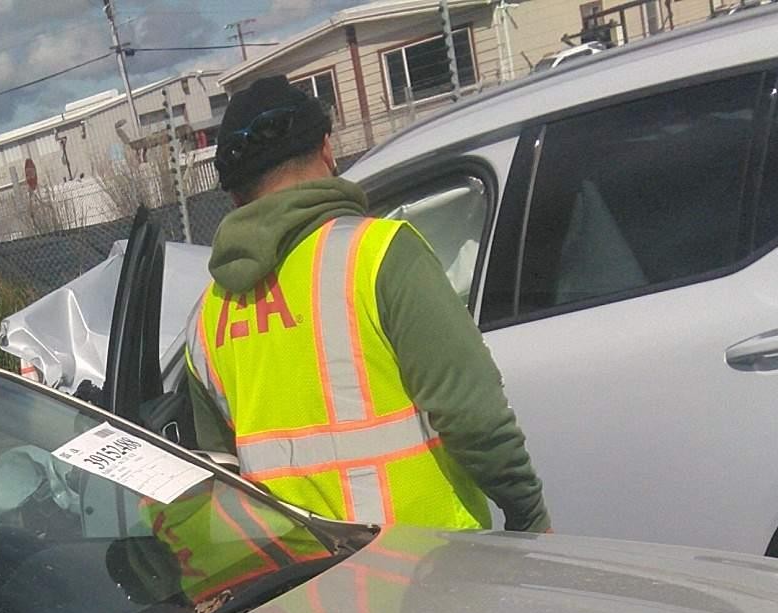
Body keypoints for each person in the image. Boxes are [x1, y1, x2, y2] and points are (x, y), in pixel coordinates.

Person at [186, 76, 550, 535]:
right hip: (426, 570)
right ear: (327, 150)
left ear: (236, 195)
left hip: (303, 588)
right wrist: (528, 511)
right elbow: (472, 414)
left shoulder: (206, 318)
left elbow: (222, 479)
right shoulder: (380, 255)